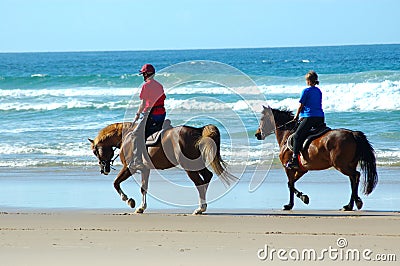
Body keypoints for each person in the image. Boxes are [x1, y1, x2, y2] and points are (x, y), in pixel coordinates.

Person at [128, 64, 166, 173]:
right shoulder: (159, 85)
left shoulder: (146, 86)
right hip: (161, 114)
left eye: (143, 74)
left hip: (150, 115)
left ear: (145, 74)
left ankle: (137, 162)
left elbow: (143, 103)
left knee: (135, 134)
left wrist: (137, 114)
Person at [286, 70, 325, 170]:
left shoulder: (306, 91)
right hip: (320, 117)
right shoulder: (318, 91)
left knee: (297, 136)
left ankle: (294, 159)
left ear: (308, 81)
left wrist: (296, 116)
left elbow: (301, 105)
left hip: (310, 117)